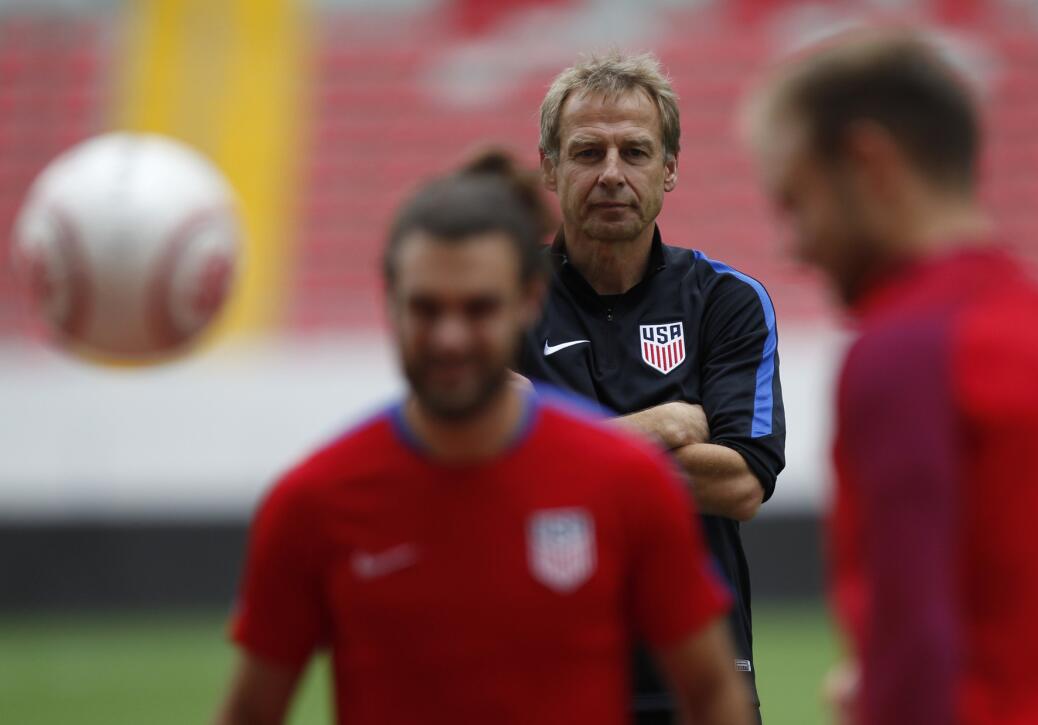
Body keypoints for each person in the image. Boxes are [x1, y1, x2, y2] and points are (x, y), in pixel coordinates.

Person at [744, 29, 1038, 725]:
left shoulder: (906, 354)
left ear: (870, 164)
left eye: (797, 202)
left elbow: (912, 644)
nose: (795, 244)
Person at [213, 154, 755, 725]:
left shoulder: (631, 486)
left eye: (479, 308)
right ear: (390, 304)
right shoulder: (313, 502)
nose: (450, 337)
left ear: (527, 302)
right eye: (426, 308)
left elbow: (712, 693)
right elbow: (250, 711)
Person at [518, 51, 786, 724]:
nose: (611, 173)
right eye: (587, 152)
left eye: (635, 151)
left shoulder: (728, 302)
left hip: (701, 672)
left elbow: (739, 484)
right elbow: (496, 471)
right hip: (544, 667)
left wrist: (561, 450)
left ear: (669, 170)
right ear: (550, 167)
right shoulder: (500, 303)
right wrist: (661, 425)